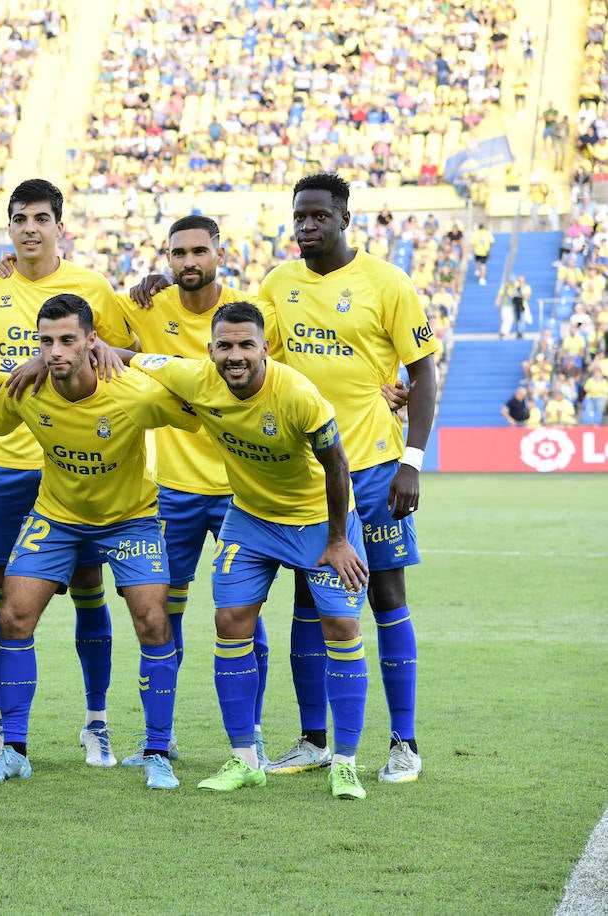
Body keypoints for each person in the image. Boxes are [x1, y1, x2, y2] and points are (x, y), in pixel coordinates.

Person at [129, 302, 370, 800]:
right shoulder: (194, 377)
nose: (235, 356)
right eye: (225, 346)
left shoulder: (299, 395)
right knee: (230, 621)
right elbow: (129, 357)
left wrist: (339, 539)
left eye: (245, 345)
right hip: (251, 520)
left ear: (264, 347)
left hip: (316, 522)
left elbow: (338, 466)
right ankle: (244, 759)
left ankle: (345, 763)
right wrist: (86, 349)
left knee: (342, 626)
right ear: (210, 349)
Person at [0, 294, 198, 789]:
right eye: (45, 341)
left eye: (68, 340)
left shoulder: (132, 391)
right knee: (12, 616)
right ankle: (14, 749)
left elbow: (197, 407)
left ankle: (157, 749)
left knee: (154, 620)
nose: (55, 352)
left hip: (130, 519)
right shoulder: (27, 389)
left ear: (92, 341)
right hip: (58, 517)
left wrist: (136, 358)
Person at [257, 173, 439, 784]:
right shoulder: (278, 285)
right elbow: (240, 348)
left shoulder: (387, 283)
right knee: (309, 600)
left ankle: (404, 743)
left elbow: (423, 375)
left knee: (386, 599)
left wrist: (412, 462)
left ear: (343, 219)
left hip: (376, 471)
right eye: (299, 216)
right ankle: (312, 738)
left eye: (318, 216)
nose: (306, 226)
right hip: (307, 478)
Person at [0, 179, 136, 768]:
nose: (30, 228)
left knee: (90, 591)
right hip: (8, 463)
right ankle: (3, 727)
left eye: (41, 218)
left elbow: (121, 354)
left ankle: (97, 723)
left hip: (78, 470)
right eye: (19, 218)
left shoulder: (91, 287)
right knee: (3, 600)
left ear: (60, 226)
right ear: (8, 227)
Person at [116, 215, 269, 768]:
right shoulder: (146, 306)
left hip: (241, 491)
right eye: (177, 253)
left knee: (245, 618)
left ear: (219, 253)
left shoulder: (248, 314)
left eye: (198, 251)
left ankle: (253, 734)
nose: (188, 262)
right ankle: (161, 738)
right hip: (174, 491)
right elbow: (85, 319)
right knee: (162, 614)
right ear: (167, 257)